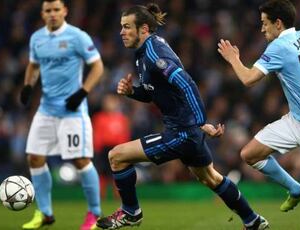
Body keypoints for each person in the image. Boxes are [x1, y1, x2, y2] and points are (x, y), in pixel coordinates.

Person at [96, 3, 269, 230]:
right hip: (185, 130)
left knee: (116, 156)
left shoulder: (153, 54)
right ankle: (253, 220)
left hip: (182, 132)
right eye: (121, 27)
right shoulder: (145, 52)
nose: (121, 32)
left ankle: (131, 212)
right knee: (211, 178)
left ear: (144, 29)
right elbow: (154, 93)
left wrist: (200, 123)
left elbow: (186, 84)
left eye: (127, 27)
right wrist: (133, 92)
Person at [218, 0, 300, 213]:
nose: (262, 28)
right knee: (250, 154)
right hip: (295, 121)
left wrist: (234, 59)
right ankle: (296, 189)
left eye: (265, 23)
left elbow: (249, 79)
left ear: (278, 23)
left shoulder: (278, 47)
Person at [20, 0, 103, 229]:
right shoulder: (37, 38)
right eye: (48, 11)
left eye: (57, 10)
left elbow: (97, 66)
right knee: (34, 158)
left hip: (72, 112)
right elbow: (33, 65)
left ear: (64, 11)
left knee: (80, 160)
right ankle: (45, 213)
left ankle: (94, 214)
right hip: (46, 109)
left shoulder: (78, 37)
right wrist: (28, 86)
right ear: (43, 13)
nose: (53, 14)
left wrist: (83, 92)